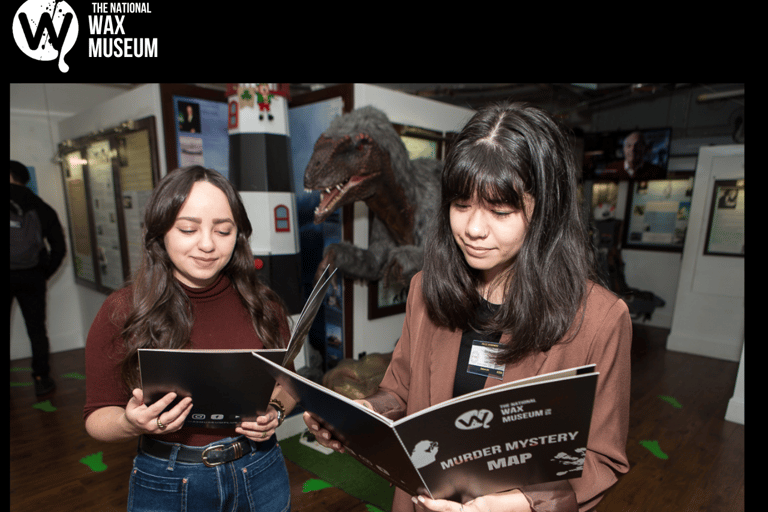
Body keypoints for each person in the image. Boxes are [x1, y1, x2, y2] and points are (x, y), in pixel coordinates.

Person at [304, 103, 632, 512]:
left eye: (499, 211)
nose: (474, 229)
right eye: (461, 205)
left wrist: (520, 502)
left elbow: (601, 457)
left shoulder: (599, 319)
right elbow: (401, 390)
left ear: (545, 210)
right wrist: (361, 414)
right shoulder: (426, 290)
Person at [84, 166, 296, 512]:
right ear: (160, 232)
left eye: (223, 230)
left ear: (238, 235)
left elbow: (287, 383)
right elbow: (96, 416)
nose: (208, 244)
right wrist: (128, 422)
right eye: (188, 228)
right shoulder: (123, 310)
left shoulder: (264, 305)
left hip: (261, 469)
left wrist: (275, 411)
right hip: (168, 479)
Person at [10, 160, 66, 396]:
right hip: (32, 275)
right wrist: (44, 273)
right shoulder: (41, 206)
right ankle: (42, 377)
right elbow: (59, 248)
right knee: (37, 329)